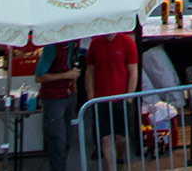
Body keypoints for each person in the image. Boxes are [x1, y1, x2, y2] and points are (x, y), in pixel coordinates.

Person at [84, 27, 140, 171]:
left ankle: (119, 159)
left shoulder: (127, 43)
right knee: (106, 137)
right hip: (101, 99)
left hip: (121, 98)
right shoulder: (95, 44)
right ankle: (112, 168)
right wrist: (91, 96)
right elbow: (90, 70)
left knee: (122, 138)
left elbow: (133, 71)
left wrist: (129, 97)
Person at [32, 41, 80, 171]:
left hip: (68, 95)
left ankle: (60, 167)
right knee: (58, 140)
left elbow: (70, 65)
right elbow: (39, 76)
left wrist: (73, 86)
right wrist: (66, 75)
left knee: (66, 139)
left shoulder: (71, 45)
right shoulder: (52, 47)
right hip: (54, 98)